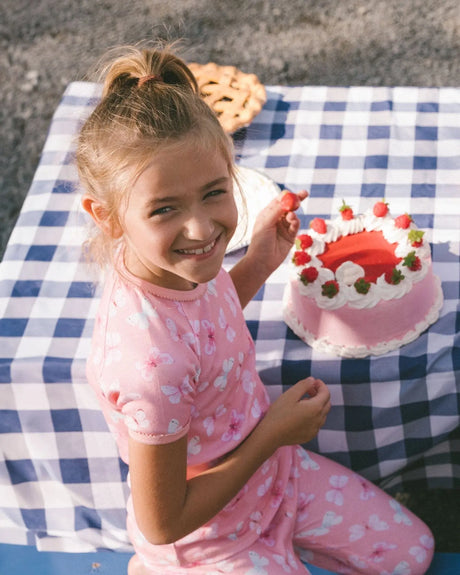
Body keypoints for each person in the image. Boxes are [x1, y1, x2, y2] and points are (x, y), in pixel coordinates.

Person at [77, 43, 435, 575]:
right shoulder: (147, 365)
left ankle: (291, 549)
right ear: (106, 218)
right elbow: (163, 522)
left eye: (215, 193)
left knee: (413, 553)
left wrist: (263, 259)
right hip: (210, 539)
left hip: (276, 482)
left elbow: (208, 322)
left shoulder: (174, 271)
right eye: (165, 208)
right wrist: (274, 433)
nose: (201, 230)